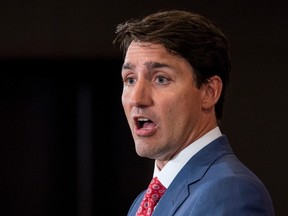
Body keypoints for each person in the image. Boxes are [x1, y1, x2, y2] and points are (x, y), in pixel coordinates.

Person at [113, 9, 275, 216]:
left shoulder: (231, 191)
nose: (137, 98)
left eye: (161, 79)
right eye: (130, 79)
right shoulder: (141, 203)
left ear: (209, 92)